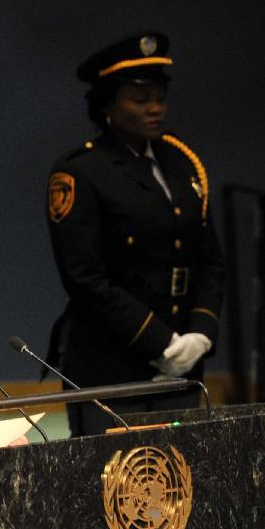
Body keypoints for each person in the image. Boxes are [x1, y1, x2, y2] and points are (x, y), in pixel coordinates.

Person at [46, 32, 225, 436]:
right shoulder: (81, 171)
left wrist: (200, 333)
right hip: (113, 361)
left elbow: (209, 258)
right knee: (113, 487)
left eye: (160, 97)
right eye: (140, 99)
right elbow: (85, 278)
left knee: (180, 483)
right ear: (108, 104)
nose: (155, 108)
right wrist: (161, 344)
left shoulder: (181, 161)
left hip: (185, 354)